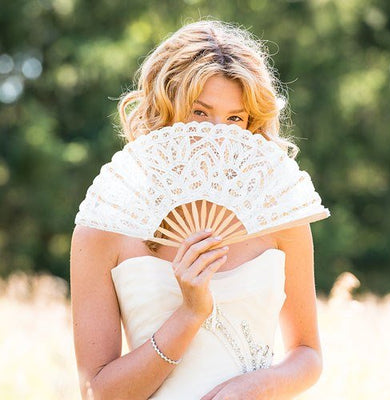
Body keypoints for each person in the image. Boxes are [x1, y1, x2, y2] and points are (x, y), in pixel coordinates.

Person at [70, 19, 324, 400]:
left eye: (235, 118)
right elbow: (97, 392)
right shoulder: (105, 228)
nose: (216, 134)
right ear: (163, 111)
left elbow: (307, 355)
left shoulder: (279, 218)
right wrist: (189, 314)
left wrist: (248, 389)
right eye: (199, 113)